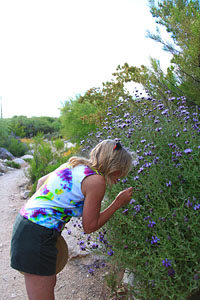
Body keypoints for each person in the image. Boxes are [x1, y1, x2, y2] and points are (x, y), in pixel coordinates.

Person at [10, 139, 133, 300]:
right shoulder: (96, 181)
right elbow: (90, 226)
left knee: (48, 282)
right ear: (115, 167)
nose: (121, 177)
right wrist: (117, 203)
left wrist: (45, 211)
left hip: (27, 225)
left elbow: (41, 182)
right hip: (36, 235)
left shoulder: (74, 164)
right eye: (122, 171)